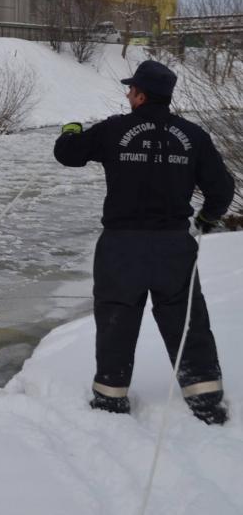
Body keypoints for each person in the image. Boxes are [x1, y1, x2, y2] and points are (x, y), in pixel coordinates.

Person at [54, 60, 235, 425]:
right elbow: (223, 189)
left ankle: (111, 399)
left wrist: (70, 129)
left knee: (116, 319)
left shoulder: (113, 129)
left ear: (140, 95)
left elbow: (67, 154)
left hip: (121, 247)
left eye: (130, 89)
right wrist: (206, 219)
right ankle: (206, 403)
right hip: (173, 246)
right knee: (186, 321)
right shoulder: (193, 134)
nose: (127, 94)